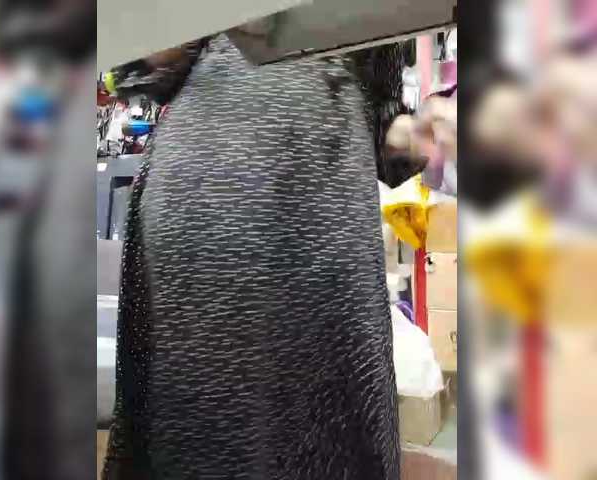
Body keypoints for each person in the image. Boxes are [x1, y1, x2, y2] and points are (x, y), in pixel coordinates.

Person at [103, 35, 409, 480]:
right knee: (198, 413)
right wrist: (165, 43)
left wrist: (414, 136)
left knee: (329, 412)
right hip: (204, 183)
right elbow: (139, 71)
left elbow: (382, 119)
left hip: (321, 197)